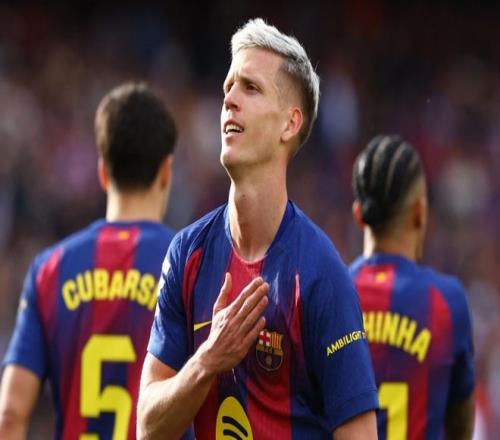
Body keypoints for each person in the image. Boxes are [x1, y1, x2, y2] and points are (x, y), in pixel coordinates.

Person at [138, 18, 378, 440]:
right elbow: (148, 428)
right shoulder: (187, 254)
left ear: (290, 123)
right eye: (228, 87)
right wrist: (207, 361)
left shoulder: (321, 275)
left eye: (250, 88)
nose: (229, 100)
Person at [0, 82, 178, 439]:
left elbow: (10, 414)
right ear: (165, 171)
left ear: (102, 172)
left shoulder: (49, 269)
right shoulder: (187, 264)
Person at [349, 135, 475, 439]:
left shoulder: (329, 294)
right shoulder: (447, 302)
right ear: (419, 212)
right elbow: (460, 426)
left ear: (358, 215)